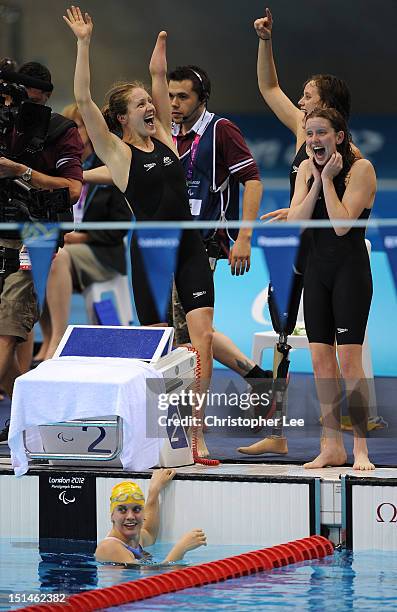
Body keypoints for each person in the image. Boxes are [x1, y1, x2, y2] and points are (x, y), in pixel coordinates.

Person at [63, 6, 214, 457]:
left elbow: (158, 73)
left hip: (188, 242)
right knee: (157, 342)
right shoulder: (118, 154)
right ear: (122, 118)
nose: (151, 106)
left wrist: (160, 53)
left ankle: (195, 433)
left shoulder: (167, 136)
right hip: (149, 250)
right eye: (141, 105)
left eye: (152, 102)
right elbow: (85, 101)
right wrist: (84, 43)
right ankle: (157, 432)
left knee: (201, 337)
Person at [238, 7, 356, 456]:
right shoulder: (302, 134)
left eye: (308, 95)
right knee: (285, 337)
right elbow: (268, 86)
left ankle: (351, 438)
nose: (300, 101)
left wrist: (299, 212)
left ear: (329, 107)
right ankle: (280, 433)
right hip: (297, 253)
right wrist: (266, 42)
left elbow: (344, 209)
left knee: (339, 353)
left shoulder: (344, 152)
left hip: (330, 256)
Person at [287, 107, 376, 470]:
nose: (313, 141)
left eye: (321, 133)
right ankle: (332, 447)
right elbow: (295, 222)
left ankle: (361, 449)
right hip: (316, 272)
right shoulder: (308, 168)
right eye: (309, 134)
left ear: (339, 136)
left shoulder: (361, 169)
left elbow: (341, 226)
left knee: (349, 363)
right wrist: (316, 178)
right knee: (322, 365)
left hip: (350, 274)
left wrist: (328, 180)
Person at [0, 61, 83, 444]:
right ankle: (29, 413)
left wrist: (21, 171)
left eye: (26, 96)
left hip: (36, 232)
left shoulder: (61, 132)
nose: (17, 104)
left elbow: (72, 189)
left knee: (10, 328)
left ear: (45, 96)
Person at [34, 103, 132, 360]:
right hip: (64, 245)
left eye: (76, 126)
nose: (71, 132)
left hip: (102, 253)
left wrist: (78, 237)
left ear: (90, 130)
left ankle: (59, 337)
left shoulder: (106, 167)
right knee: (36, 258)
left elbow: (121, 226)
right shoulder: (59, 167)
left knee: (57, 257)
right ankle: (45, 338)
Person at [96, 470, 207, 564]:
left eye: (136, 509)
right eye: (122, 510)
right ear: (112, 516)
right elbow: (156, 580)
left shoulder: (134, 539)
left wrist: (154, 490)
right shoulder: (110, 547)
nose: (130, 516)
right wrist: (181, 548)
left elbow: (149, 532)